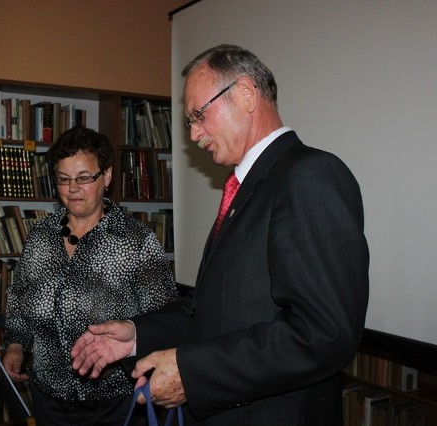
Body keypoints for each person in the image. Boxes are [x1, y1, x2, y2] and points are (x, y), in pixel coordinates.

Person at [71, 44, 370, 425]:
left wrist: (193, 373)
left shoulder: (310, 176)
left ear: (245, 94)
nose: (194, 134)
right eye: (189, 122)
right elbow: (213, 309)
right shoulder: (245, 187)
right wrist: (134, 335)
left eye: (199, 115)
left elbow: (323, 334)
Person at [1, 126, 177, 425]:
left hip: (117, 403)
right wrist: (15, 345)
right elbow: (19, 297)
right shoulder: (40, 237)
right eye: (63, 179)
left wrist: (132, 361)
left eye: (84, 178)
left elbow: (165, 318)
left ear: (106, 177)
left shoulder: (136, 240)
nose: (72, 189)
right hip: (49, 401)